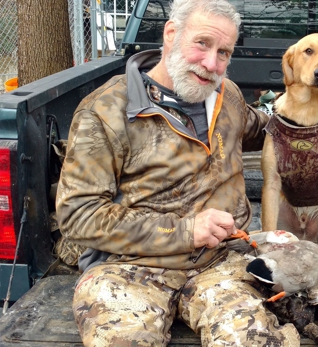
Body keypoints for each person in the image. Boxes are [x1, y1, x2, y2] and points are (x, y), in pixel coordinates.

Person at [55, 0, 300, 346]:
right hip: (131, 269)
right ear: (171, 33)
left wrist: (315, 115)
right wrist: (186, 230)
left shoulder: (226, 95)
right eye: (202, 43)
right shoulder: (107, 111)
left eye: (224, 53)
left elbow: (266, 128)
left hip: (221, 262)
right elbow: (79, 216)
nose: (211, 64)